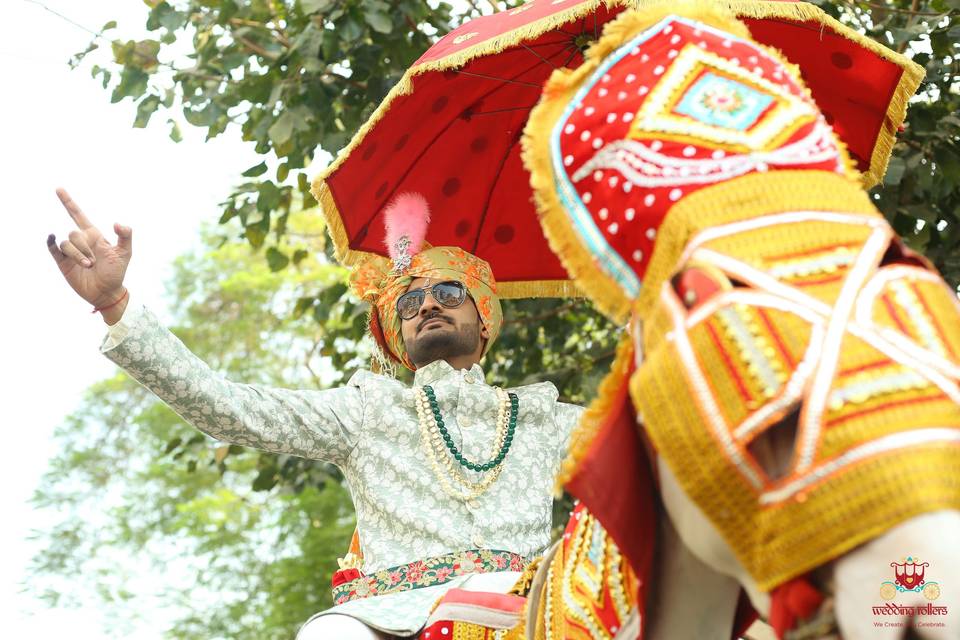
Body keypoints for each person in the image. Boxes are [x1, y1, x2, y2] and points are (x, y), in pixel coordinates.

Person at [46, 188, 583, 639]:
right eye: (407, 302)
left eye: (447, 290)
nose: (427, 306)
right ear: (398, 337)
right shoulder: (368, 410)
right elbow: (227, 408)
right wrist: (116, 304)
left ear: (484, 315)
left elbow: (648, 434)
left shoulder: (543, 415)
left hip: (522, 602)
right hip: (384, 616)